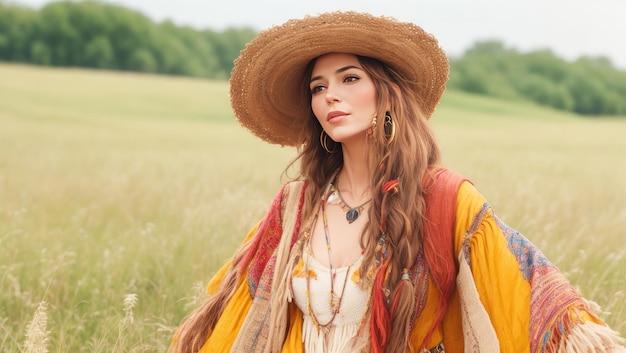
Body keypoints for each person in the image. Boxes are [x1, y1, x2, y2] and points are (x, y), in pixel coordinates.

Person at [168, 11, 625, 353]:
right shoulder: (295, 204)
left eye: (349, 78)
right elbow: (241, 310)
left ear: (386, 93)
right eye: (318, 87)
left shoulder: (447, 198)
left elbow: (523, 284)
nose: (331, 96)